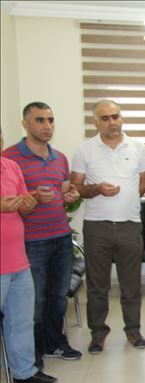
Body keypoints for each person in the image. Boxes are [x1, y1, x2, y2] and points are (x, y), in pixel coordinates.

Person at [3, 102, 82, 368]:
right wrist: (32, 197)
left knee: (58, 296)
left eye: (50, 120)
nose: (47, 126)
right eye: (40, 120)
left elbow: (65, 194)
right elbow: (10, 201)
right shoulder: (10, 158)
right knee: (34, 301)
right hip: (31, 240)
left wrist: (70, 196)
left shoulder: (59, 158)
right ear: (25, 124)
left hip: (61, 236)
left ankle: (55, 342)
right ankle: (33, 351)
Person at [70, 99, 145, 354]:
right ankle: (98, 334)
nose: (112, 122)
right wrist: (97, 189)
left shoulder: (138, 147)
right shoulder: (84, 150)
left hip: (129, 225)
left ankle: (133, 330)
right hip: (97, 226)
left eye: (115, 117)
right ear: (96, 122)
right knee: (97, 285)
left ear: (121, 118)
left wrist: (126, 201)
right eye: (105, 118)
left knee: (131, 284)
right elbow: (76, 187)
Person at [1, 127, 58, 383]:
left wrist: (28, 205)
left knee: (22, 320)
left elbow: (24, 210)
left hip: (18, 260)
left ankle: (23, 370)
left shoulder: (11, 167)